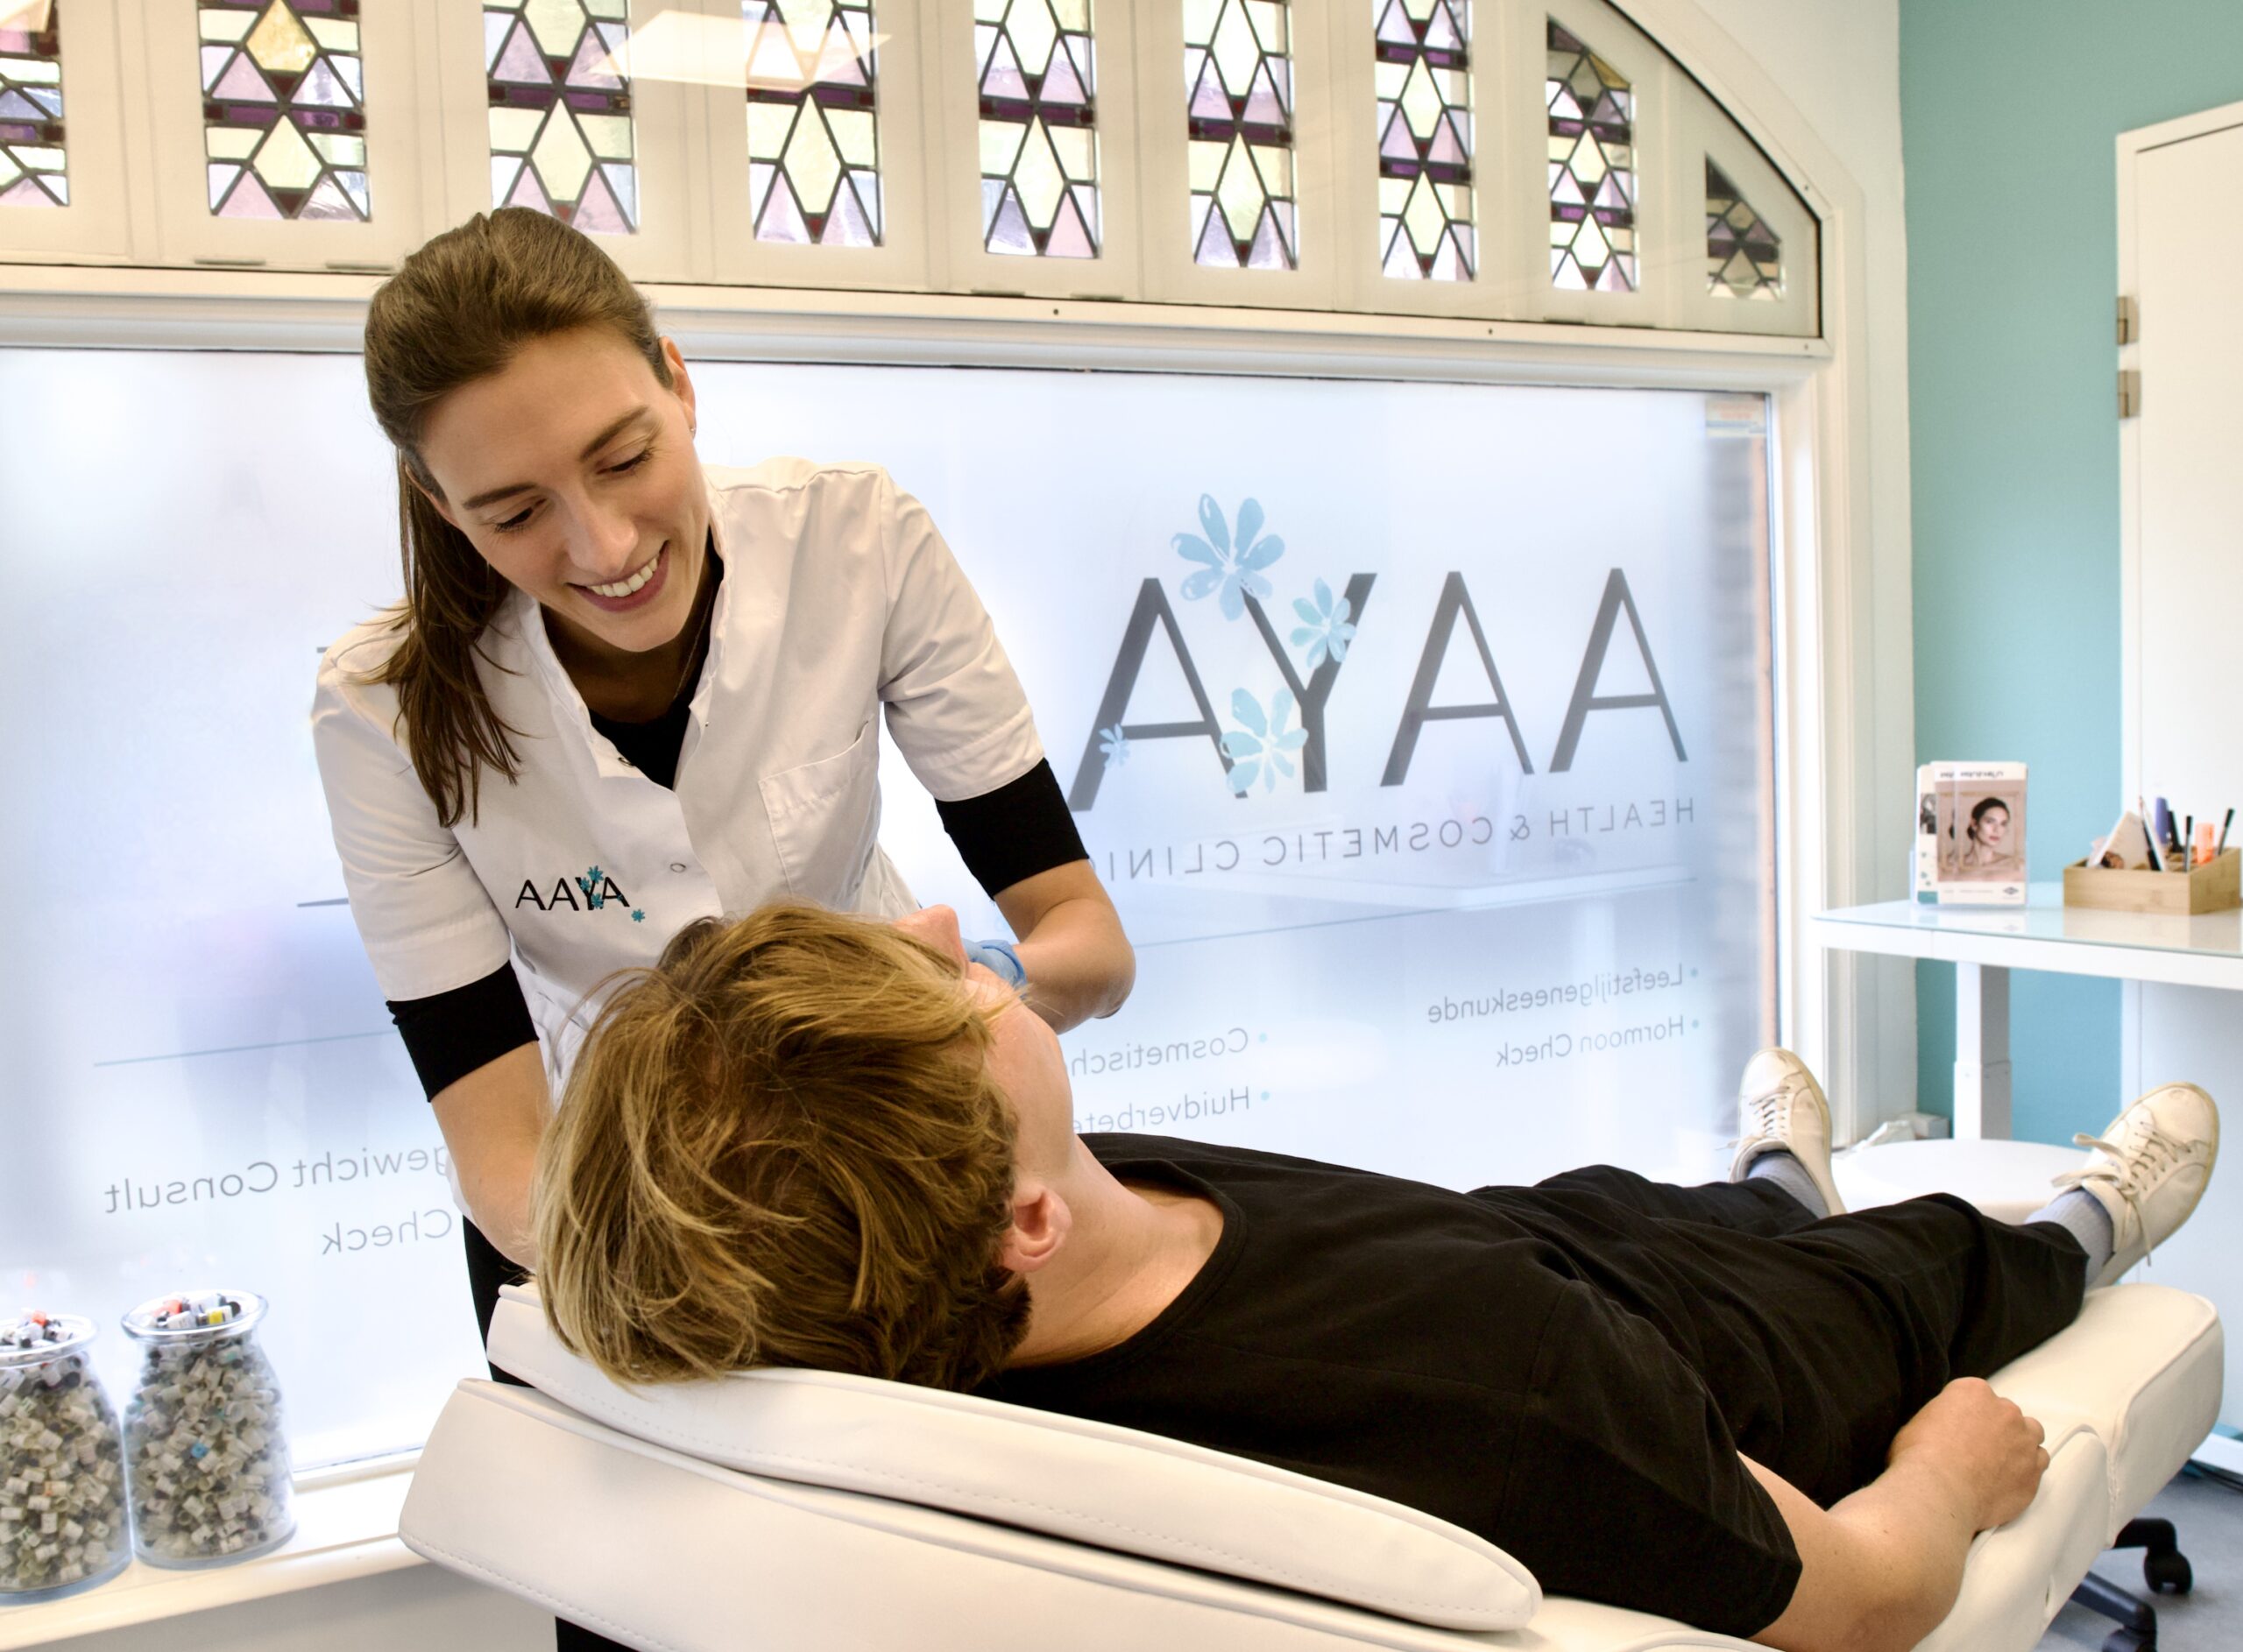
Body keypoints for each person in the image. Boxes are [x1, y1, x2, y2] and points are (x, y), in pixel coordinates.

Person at [533, 903, 2221, 1652]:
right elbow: (1861, 1602)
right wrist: (1951, 1469)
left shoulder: (982, 1250)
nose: (931, 926)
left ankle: (1771, 1171)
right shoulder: (1493, 1390)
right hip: (1725, 1364)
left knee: (1669, 1193)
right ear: (1017, 1229)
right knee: (1921, 1257)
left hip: (1539, 1239)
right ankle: (2084, 1221)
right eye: (945, 995)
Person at [312, 210, 1131, 1650]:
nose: (604, 542)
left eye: (626, 456)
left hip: (911, 1201)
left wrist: (970, 998)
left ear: (680, 383)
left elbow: (1087, 943)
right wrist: (715, 1278)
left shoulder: (855, 538)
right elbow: (507, 1164)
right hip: (602, 1249)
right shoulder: (383, 712)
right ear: (440, 509)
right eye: (511, 511)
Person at [1949, 795, 2021, 878]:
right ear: (1974, 824)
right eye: (1990, 822)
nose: (1997, 830)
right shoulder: (1949, 866)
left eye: (2003, 824)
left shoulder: (2017, 866)